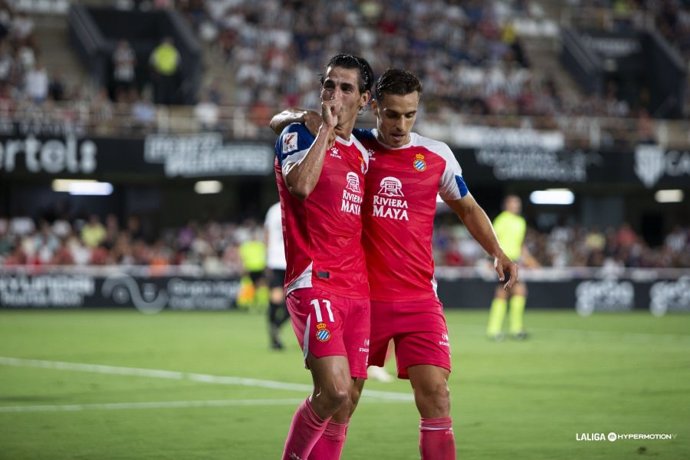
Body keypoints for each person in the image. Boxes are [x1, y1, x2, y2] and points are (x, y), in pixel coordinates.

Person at [271, 68, 517, 460]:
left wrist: (498, 251)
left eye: (409, 115)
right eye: (391, 114)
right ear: (374, 108)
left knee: (436, 393)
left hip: (419, 298)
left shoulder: (436, 156)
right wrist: (304, 117)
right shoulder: (356, 146)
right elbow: (281, 121)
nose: (400, 125)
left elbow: (468, 209)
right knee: (342, 401)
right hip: (365, 297)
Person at [274, 54, 374, 460]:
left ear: (364, 99)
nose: (334, 94)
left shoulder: (366, 153)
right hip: (315, 281)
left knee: (345, 403)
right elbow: (300, 186)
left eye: (346, 88)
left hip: (358, 289)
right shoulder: (298, 135)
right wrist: (324, 130)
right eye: (329, 85)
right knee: (331, 390)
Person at [486, 194, 538, 340]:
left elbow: (520, 245)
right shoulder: (501, 221)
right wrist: (492, 259)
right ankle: (507, 330)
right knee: (515, 291)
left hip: (514, 261)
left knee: (511, 292)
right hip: (503, 261)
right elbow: (491, 240)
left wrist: (529, 260)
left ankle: (500, 330)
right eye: (513, 203)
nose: (516, 206)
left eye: (517, 203)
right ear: (506, 205)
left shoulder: (521, 222)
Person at [264, 201, 289, 350]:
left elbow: (266, 235)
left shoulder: (273, 210)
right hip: (284, 260)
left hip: (282, 260)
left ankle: (275, 328)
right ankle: (275, 330)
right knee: (282, 299)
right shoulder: (275, 209)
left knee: (281, 299)